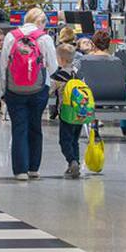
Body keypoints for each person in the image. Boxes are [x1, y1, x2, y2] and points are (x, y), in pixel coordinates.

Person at [0, 6, 58, 180]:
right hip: (38, 89)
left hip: (14, 89)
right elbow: (53, 68)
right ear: (41, 22)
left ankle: (20, 171)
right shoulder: (45, 38)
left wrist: (2, 90)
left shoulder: (11, 36)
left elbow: (3, 66)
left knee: (19, 128)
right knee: (35, 127)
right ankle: (33, 168)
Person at [51, 42, 82, 179]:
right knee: (75, 140)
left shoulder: (58, 76)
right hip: (80, 112)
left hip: (66, 113)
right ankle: (76, 164)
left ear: (61, 60)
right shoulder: (78, 74)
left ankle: (72, 161)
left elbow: (50, 91)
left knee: (65, 140)